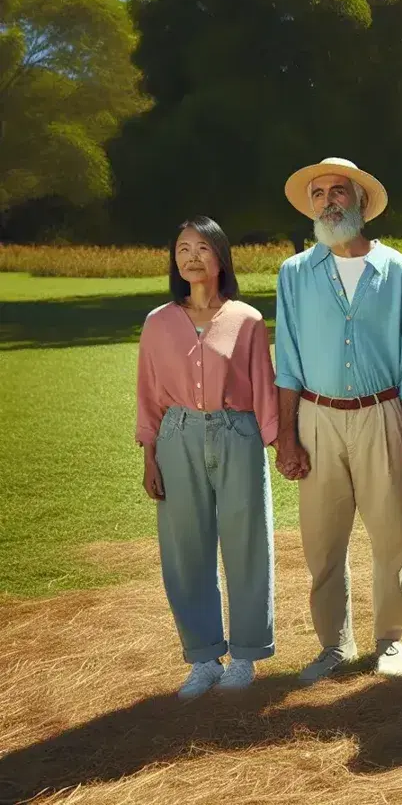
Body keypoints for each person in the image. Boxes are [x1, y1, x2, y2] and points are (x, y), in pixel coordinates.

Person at [276, 157, 402, 683]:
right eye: (319, 193)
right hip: (316, 418)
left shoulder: (400, 270)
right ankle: (333, 645)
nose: (329, 201)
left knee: (391, 536)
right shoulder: (294, 273)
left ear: (360, 201)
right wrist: (285, 437)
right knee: (321, 540)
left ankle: (389, 642)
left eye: (340, 191)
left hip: (382, 415)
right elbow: (287, 360)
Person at [137, 216, 278, 700]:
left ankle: (245, 656)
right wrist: (150, 453)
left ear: (220, 256)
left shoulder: (247, 319)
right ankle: (203, 659)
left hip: (238, 432)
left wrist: (283, 446)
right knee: (185, 552)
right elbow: (149, 394)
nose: (192, 257)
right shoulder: (157, 323)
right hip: (177, 436)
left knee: (247, 544)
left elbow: (264, 386)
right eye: (182, 249)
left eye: (201, 247)